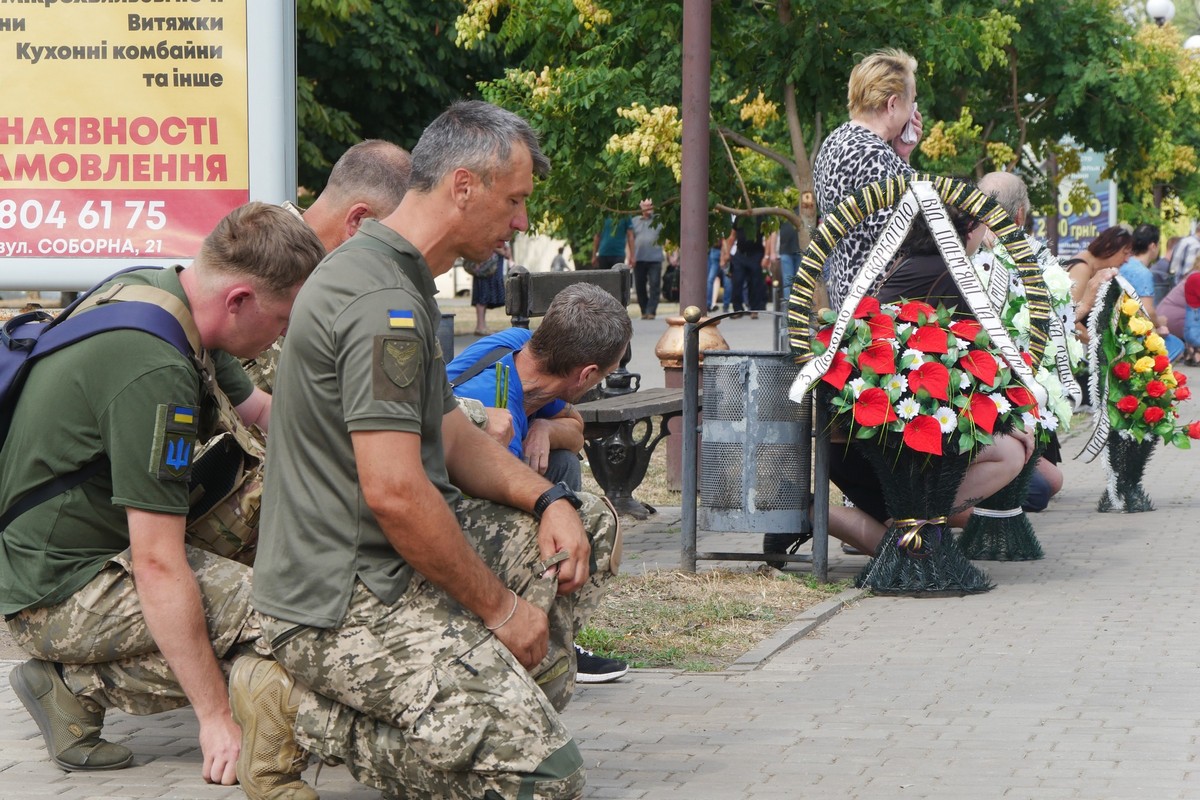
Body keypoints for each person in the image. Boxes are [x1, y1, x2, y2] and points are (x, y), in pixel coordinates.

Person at [237, 100, 621, 800]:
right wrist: (501, 610)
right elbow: (393, 491)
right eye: (515, 201)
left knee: (581, 535)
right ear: (464, 186)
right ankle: (300, 711)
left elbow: (450, 436)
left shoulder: (402, 278)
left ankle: (480, 709)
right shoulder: (378, 299)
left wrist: (550, 497)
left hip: (384, 555)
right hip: (338, 594)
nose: (522, 223)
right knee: (542, 780)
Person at [1, 203, 324, 783]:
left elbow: (264, 414)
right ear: (241, 300)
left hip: (83, 546)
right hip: (57, 585)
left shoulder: (175, 297)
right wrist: (215, 717)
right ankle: (73, 687)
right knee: (282, 611)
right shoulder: (154, 367)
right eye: (283, 319)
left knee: (286, 544)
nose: (284, 333)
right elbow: (157, 562)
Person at [765, 204, 1033, 565]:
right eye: (983, 226)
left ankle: (905, 522)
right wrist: (1015, 422)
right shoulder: (948, 270)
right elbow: (980, 356)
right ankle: (807, 511)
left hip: (867, 428)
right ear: (968, 228)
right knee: (1007, 456)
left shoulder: (915, 260)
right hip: (875, 436)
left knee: (919, 542)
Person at [447, 283, 633, 684]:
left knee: (562, 458)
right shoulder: (497, 413)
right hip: (449, 523)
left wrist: (546, 427)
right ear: (586, 375)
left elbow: (576, 429)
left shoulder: (521, 349)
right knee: (595, 523)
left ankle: (555, 632)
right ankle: (543, 646)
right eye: (604, 375)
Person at [248, 139, 412, 393]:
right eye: (390, 237)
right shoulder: (263, 262)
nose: (390, 254)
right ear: (358, 220)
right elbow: (330, 394)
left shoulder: (328, 271)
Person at [813, 48, 923, 311]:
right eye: (912, 102)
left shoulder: (836, 140)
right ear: (893, 104)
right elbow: (908, 233)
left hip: (847, 291)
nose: (914, 112)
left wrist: (902, 156)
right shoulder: (872, 153)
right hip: (877, 305)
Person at [721, 215, 768, 318]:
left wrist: (766, 256)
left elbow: (767, 236)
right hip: (740, 254)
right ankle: (737, 309)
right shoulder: (740, 217)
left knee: (755, 283)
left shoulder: (761, 217)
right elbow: (732, 236)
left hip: (756, 254)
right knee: (737, 281)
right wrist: (727, 254)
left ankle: (754, 309)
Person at [630, 198, 665, 319]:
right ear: (641, 207)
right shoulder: (634, 221)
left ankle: (651, 311)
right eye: (646, 205)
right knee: (640, 286)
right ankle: (644, 309)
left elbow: (667, 239)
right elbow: (630, 240)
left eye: (651, 205)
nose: (649, 207)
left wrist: (672, 256)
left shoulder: (659, 220)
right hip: (639, 258)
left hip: (655, 258)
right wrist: (630, 256)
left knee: (655, 284)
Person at [471, 242, 509, 336]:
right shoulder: (488, 232)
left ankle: (482, 326)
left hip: (491, 268)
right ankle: (480, 326)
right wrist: (501, 251)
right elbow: (487, 244)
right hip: (485, 266)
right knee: (481, 295)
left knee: (485, 296)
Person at [1168, 222, 1200, 287]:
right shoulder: (1196, 246)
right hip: (1184, 289)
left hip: (1174, 287)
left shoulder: (1183, 241)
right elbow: (1189, 273)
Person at [707, 237, 731, 313]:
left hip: (716, 251)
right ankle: (725, 305)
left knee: (711, 280)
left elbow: (723, 240)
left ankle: (708, 304)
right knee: (727, 280)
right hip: (723, 251)